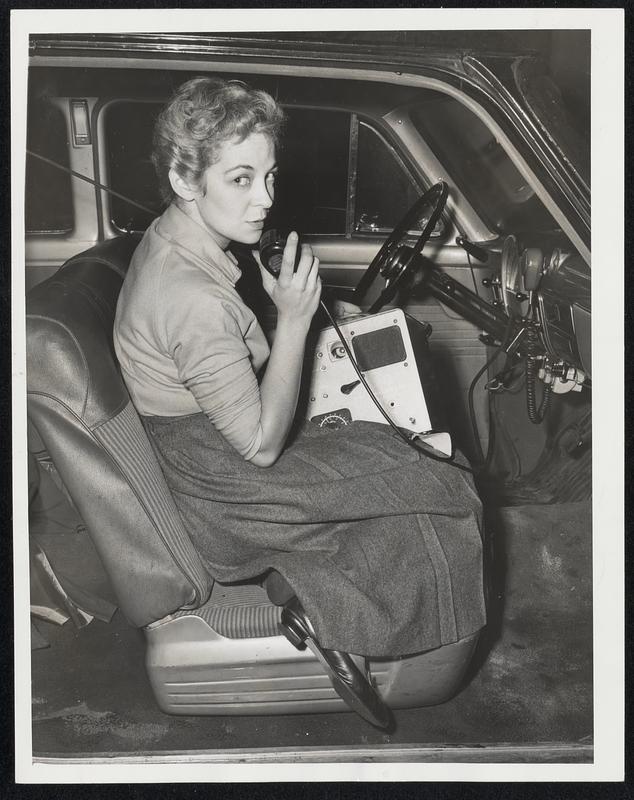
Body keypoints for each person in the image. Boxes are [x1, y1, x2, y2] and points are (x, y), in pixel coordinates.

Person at [114, 77, 486, 728]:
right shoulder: (188, 297)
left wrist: (307, 315)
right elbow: (258, 447)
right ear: (182, 175)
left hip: (208, 450)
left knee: (390, 451)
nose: (265, 199)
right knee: (438, 478)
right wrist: (293, 319)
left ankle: (313, 592)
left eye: (270, 175)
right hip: (223, 487)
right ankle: (342, 623)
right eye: (241, 179)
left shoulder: (182, 242)